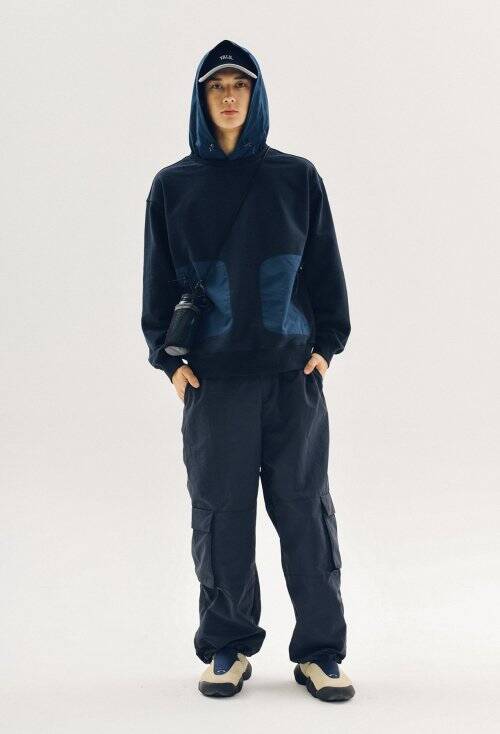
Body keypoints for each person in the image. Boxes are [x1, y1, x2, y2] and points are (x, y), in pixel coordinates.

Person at [141, 39, 355, 702]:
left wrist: (326, 347)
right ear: (201, 99)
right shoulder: (173, 187)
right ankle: (228, 645)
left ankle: (320, 652)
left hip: (292, 381)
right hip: (214, 386)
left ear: (256, 96)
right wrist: (168, 361)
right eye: (217, 86)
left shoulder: (297, 178)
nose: (229, 96)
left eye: (240, 85)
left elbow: (324, 270)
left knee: (305, 515)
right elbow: (157, 285)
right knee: (221, 518)